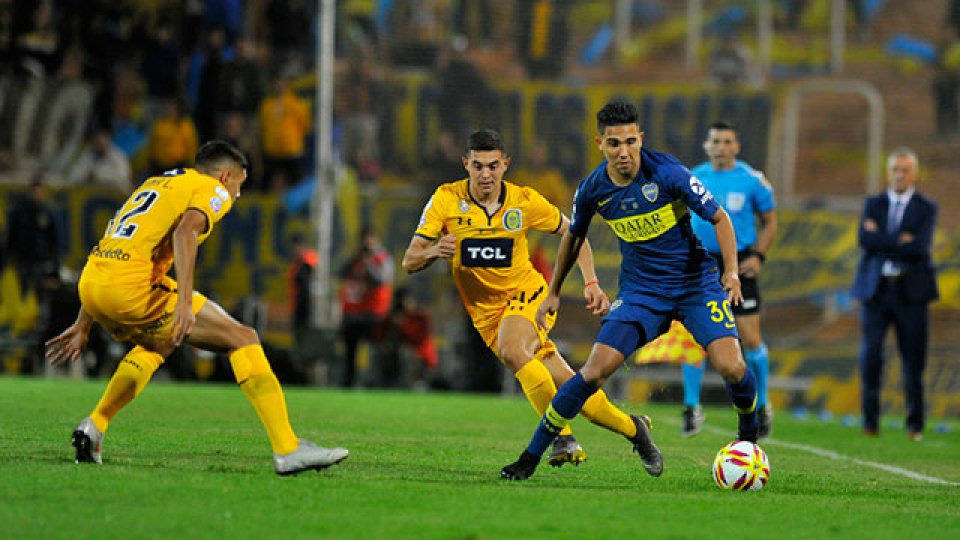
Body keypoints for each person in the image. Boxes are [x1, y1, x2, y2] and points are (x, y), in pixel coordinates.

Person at [45, 141, 348, 475]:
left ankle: (94, 426)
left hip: (93, 282)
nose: (238, 195)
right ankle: (288, 448)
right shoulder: (211, 189)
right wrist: (185, 304)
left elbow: (117, 241)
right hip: (131, 287)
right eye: (239, 186)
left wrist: (85, 320)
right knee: (243, 338)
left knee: (158, 343)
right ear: (226, 176)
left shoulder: (157, 183)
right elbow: (186, 232)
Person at [501, 101, 758, 481]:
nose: (624, 152)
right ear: (599, 144)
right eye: (614, 143)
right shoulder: (593, 189)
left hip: (694, 285)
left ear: (641, 139)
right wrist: (554, 291)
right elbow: (573, 238)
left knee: (732, 366)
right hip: (642, 292)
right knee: (593, 371)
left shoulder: (669, 173)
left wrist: (732, 273)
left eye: (631, 142)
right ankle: (531, 456)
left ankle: (749, 442)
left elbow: (719, 218)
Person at [403, 128, 658, 468]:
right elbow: (409, 260)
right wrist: (435, 249)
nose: (485, 174)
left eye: (493, 166)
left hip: (528, 296)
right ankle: (634, 428)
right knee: (572, 388)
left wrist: (591, 282)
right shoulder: (445, 200)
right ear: (466, 164)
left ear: (505, 165)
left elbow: (575, 232)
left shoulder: (524, 201)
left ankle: (562, 438)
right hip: (485, 314)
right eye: (478, 166)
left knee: (512, 349)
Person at [682, 121, 777, 438]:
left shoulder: (751, 179)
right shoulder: (694, 176)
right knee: (696, 337)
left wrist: (758, 256)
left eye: (726, 141)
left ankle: (762, 404)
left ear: (736, 147)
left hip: (739, 261)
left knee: (750, 338)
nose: (721, 147)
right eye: (715, 141)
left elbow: (771, 221)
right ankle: (691, 406)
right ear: (707, 146)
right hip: (702, 263)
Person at [851, 148, 938, 442]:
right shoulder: (873, 203)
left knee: (913, 360)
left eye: (905, 170)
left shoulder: (926, 208)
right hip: (876, 291)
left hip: (911, 293)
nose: (899, 175)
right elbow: (864, 240)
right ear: (889, 173)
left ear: (914, 174)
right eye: (895, 170)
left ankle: (914, 424)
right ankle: (870, 422)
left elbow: (920, 247)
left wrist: (882, 240)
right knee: (871, 355)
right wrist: (899, 240)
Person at [338, 227, 394, 387]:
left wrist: (368, 261)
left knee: (375, 350)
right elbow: (341, 274)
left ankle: (376, 383)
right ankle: (348, 383)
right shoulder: (356, 259)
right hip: (353, 312)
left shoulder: (382, 258)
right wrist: (356, 257)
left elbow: (380, 280)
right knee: (350, 352)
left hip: (373, 313)